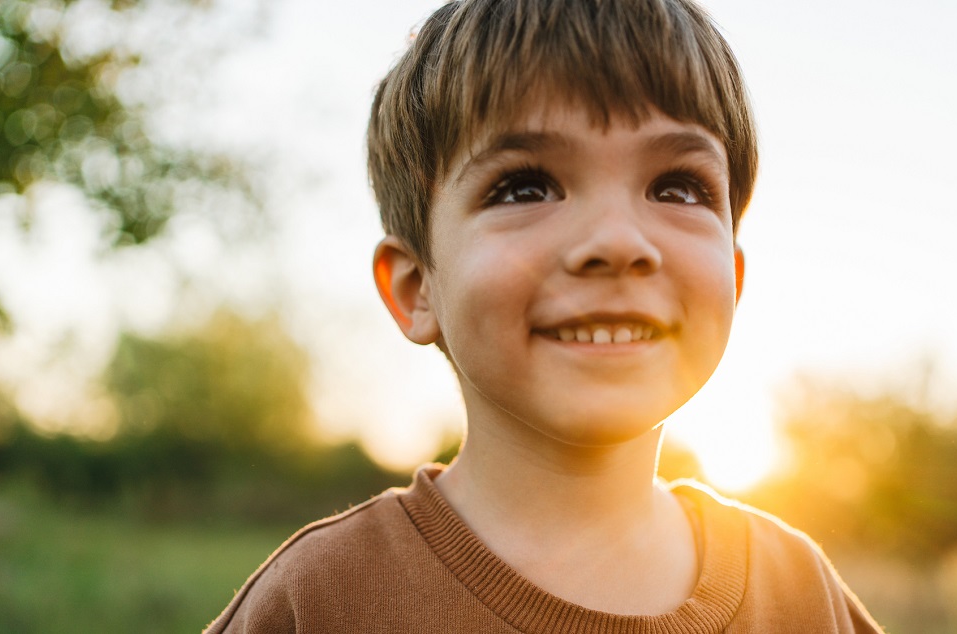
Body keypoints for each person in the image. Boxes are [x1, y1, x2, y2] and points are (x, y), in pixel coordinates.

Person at [206, 0, 884, 631]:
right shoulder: (323, 601)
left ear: (733, 280)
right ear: (417, 288)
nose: (619, 242)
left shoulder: (799, 594)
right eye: (526, 186)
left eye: (677, 187)